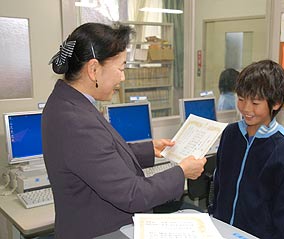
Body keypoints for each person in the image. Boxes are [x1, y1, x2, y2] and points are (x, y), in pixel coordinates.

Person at [43, 22, 206, 239]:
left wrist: (150, 149)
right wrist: (181, 172)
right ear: (93, 69)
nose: (123, 78)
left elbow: (99, 154)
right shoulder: (76, 120)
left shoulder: (66, 101)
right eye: (120, 68)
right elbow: (132, 194)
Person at [211, 60, 284, 238]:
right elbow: (219, 183)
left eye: (255, 103)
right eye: (241, 99)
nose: (246, 109)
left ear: (275, 103)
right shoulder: (230, 134)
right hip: (222, 228)